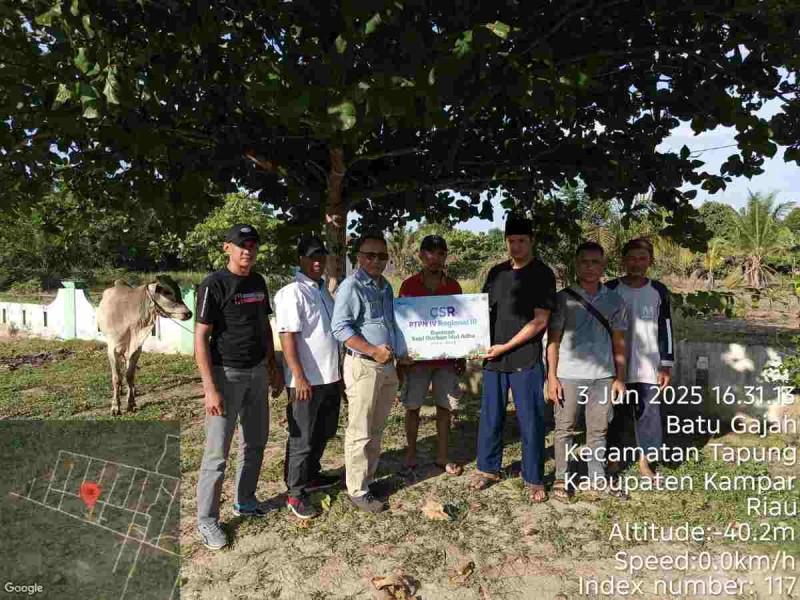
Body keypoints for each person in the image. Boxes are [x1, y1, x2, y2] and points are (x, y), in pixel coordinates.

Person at [195, 223, 285, 550]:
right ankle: (207, 521)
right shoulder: (213, 284)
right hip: (226, 375)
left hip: (258, 372)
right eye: (240, 244)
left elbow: (264, 325)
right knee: (217, 453)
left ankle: (245, 500)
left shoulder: (259, 282)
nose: (248, 250)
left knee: (256, 442)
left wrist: (273, 365)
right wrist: (210, 388)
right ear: (227, 248)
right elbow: (200, 339)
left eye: (252, 245)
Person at [472, 215, 556, 503]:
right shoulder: (496, 273)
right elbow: (479, 312)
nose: (516, 246)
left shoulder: (543, 274)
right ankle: (488, 469)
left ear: (531, 241)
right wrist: (471, 341)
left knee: (531, 420)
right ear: (505, 242)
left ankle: (533, 477)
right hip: (493, 359)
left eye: (522, 241)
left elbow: (540, 320)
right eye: (511, 241)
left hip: (525, 358)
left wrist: (505, 346)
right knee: (491, 417)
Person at [331, 233, 408, 513]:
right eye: (370, 255)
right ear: (358, 257)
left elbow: (390, 323)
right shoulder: (350, 286)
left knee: (376, 428)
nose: (377, 261)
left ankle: (369, 480)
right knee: (360, 430)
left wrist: (400, 353)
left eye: (382, 256)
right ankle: (357, 489)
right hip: (364, 365)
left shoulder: (385, 286)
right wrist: (373, 350)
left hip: (387, 367)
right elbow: (340, 328)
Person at [546, 242, 628, 501]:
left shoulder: (614, 300)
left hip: (602, 376)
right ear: (576, 265)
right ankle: (563, 477)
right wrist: (552, 377)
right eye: (584, 262)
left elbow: (619, 341)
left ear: (603, 266)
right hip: (568, 375)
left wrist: (620, 377)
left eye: (595, 262)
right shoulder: (563, 299)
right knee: (565, 428)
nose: (590, 267)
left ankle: (597, 478)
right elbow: (553, 341)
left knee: (598, 430)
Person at [274, 235, 342, 520]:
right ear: (300, 259)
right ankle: (296, 492)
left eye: (321, 257)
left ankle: (312, 475)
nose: (318, 262)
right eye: (312, 257)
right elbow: (287, 335)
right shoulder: (292, 292)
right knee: (301, 437)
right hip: (307, 381)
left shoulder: (323, 291)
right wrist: (298, 377)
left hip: (330, 377)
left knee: (324, 431)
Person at [606, 238, 675, 478]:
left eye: (642, 258)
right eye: (632, 258)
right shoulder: (611, 288)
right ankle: (613, 457)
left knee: (649, 415)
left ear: (650, 262)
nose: (636, 263)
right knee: (615, 414)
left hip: (650, 366)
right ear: (623, 261)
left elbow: (666, 328)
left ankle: (646, 461)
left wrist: (666, 363)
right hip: (617, 367)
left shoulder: (658, 291)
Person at [397, 234, 465, 477]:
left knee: (445, 407)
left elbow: (461, 325)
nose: (434, 259)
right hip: (416, 361)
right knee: (412, 406)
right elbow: (402, 324)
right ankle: (411, 453)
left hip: (446, 361)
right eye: (429, 254)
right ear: (421, 256)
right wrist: (401, 359)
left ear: (445, 256)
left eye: (440, 254)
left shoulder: (454, 286)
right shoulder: (408, 286)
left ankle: (442, 455)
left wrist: (463, 355)